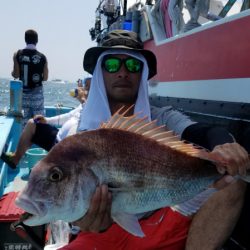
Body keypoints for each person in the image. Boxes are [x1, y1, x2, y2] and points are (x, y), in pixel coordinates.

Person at [57, 29, 249, 250]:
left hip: (159, 224)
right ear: (100, 72)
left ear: (143, 73)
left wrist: (224, 145)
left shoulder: (162, 118)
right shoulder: (75, 129)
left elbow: (202, 132)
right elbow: (63, 200)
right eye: (111, 65)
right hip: (96, 236)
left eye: (132, 65)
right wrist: (82, 220)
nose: (122, 73)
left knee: (233, 181)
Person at [0, 84, 90, 169]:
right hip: (57, 140)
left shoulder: (93, 107)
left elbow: (88, 121)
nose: (85, 89)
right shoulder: (84, 104)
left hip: (70, 151)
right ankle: (15, 158)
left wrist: (83, 99)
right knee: (32, 123)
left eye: (88, 87)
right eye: (86, 86)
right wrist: (46, 120)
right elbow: (68, 116)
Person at [12, 29, 49, 126]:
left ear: (25, 40)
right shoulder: (43, 57)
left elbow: (16, 74)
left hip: (23, 94)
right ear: (37, 41)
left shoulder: (18, 54)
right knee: (39, 122)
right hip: (37, 95)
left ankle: (25, 139)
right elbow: (45, 78)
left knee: (24, 123)